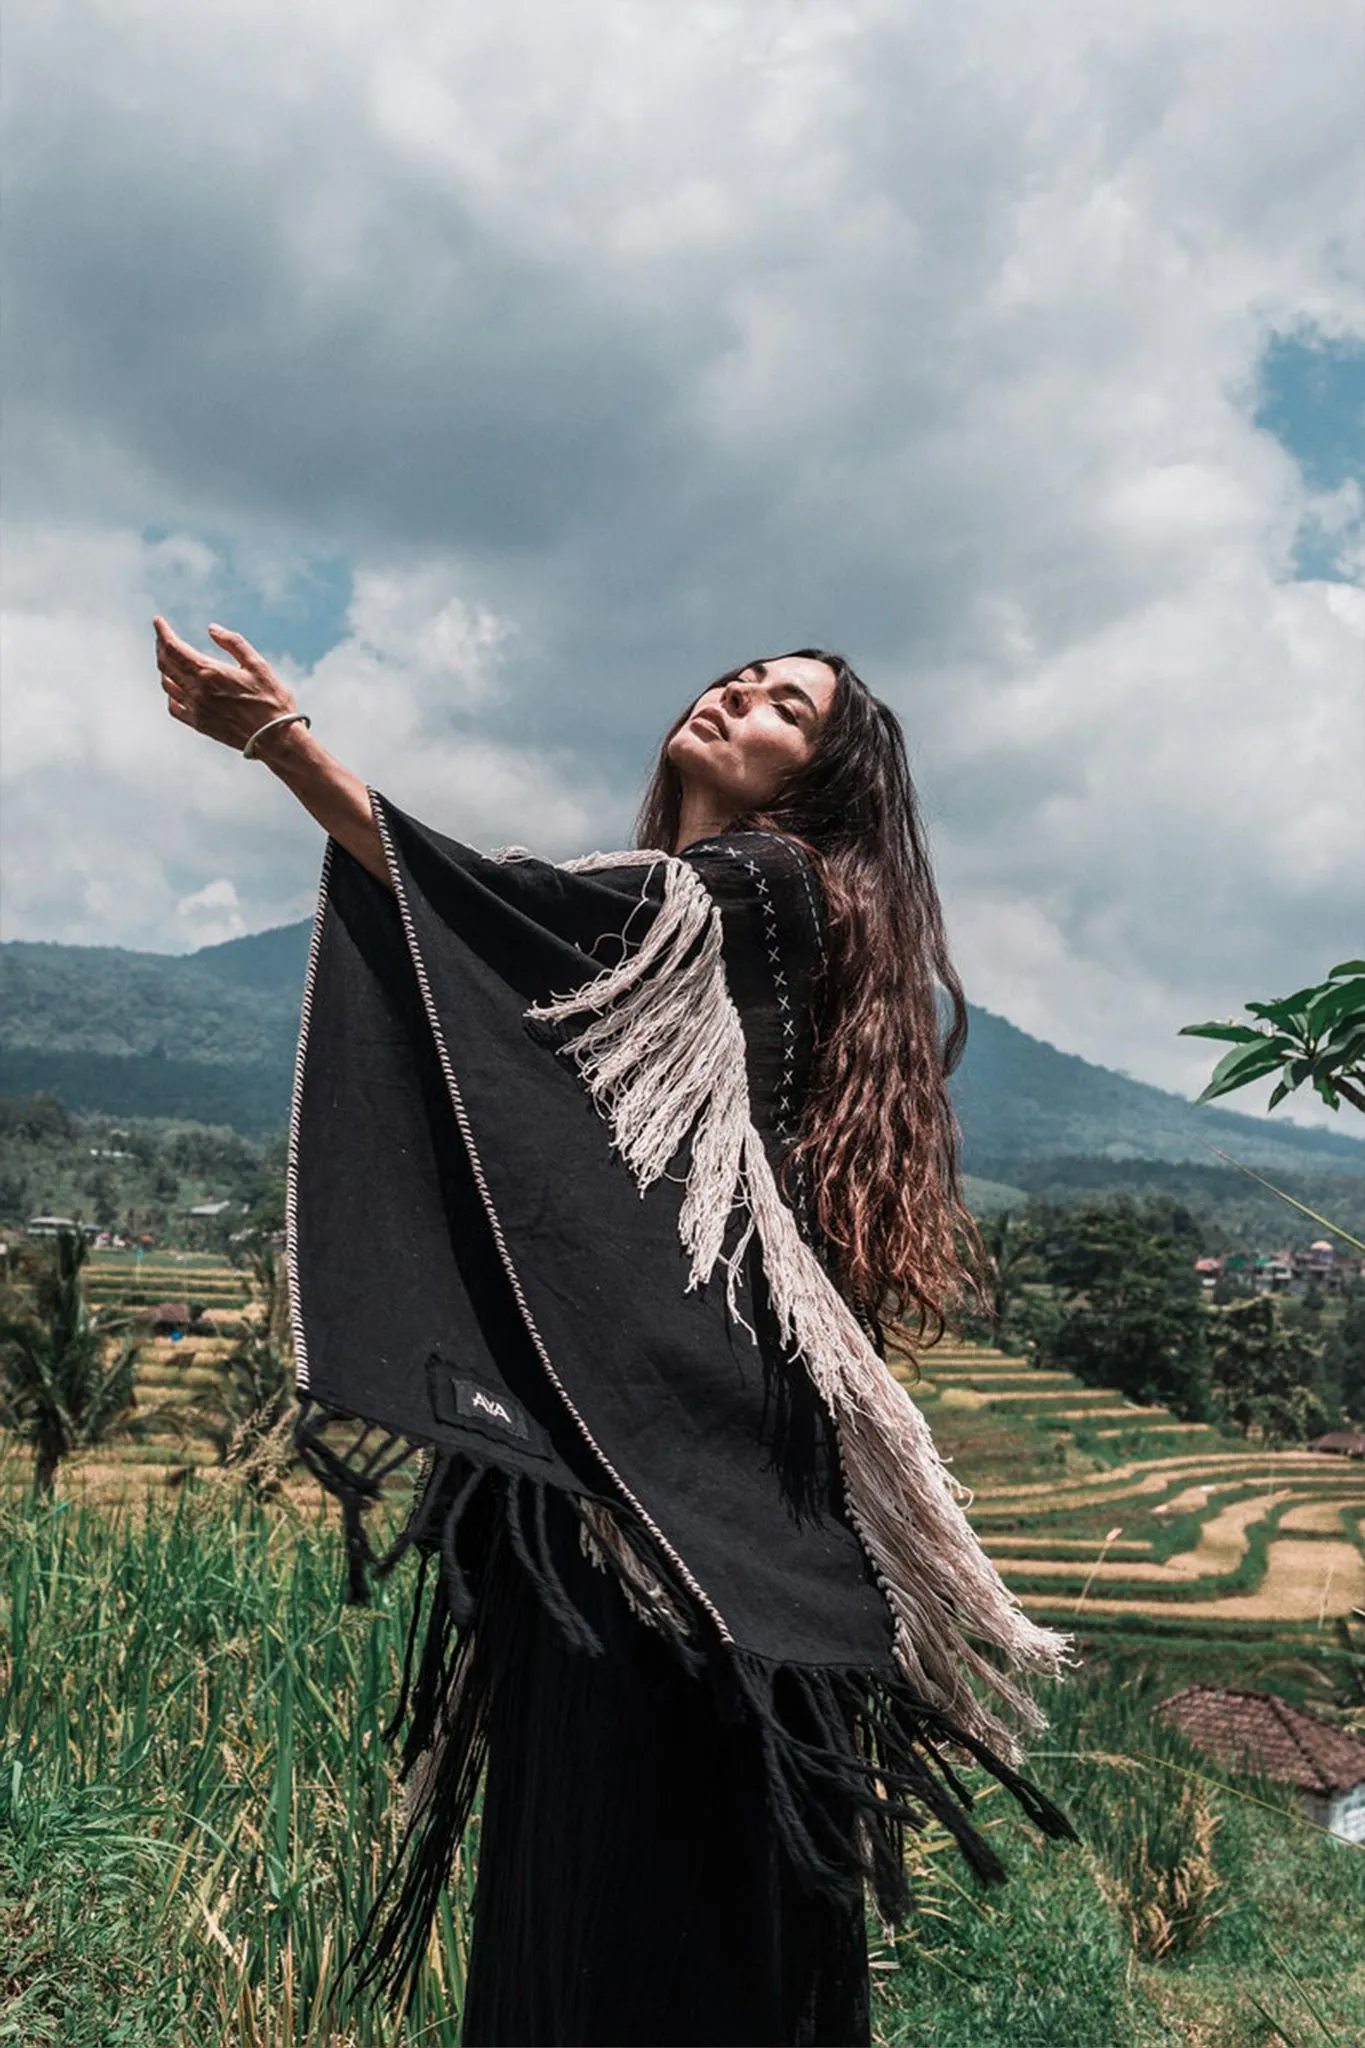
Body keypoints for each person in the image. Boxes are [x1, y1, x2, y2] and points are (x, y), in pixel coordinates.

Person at [154, 619, 1075, 2047]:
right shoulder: (676, 901)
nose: (734, 698)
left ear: (820, 783)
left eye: (785, 707)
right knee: (620, 1839)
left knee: (653, 1849)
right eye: (739, 677)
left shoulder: (769, 888)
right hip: (646, 1456)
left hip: (690, 1469)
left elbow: (505, 919)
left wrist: (286, 745)